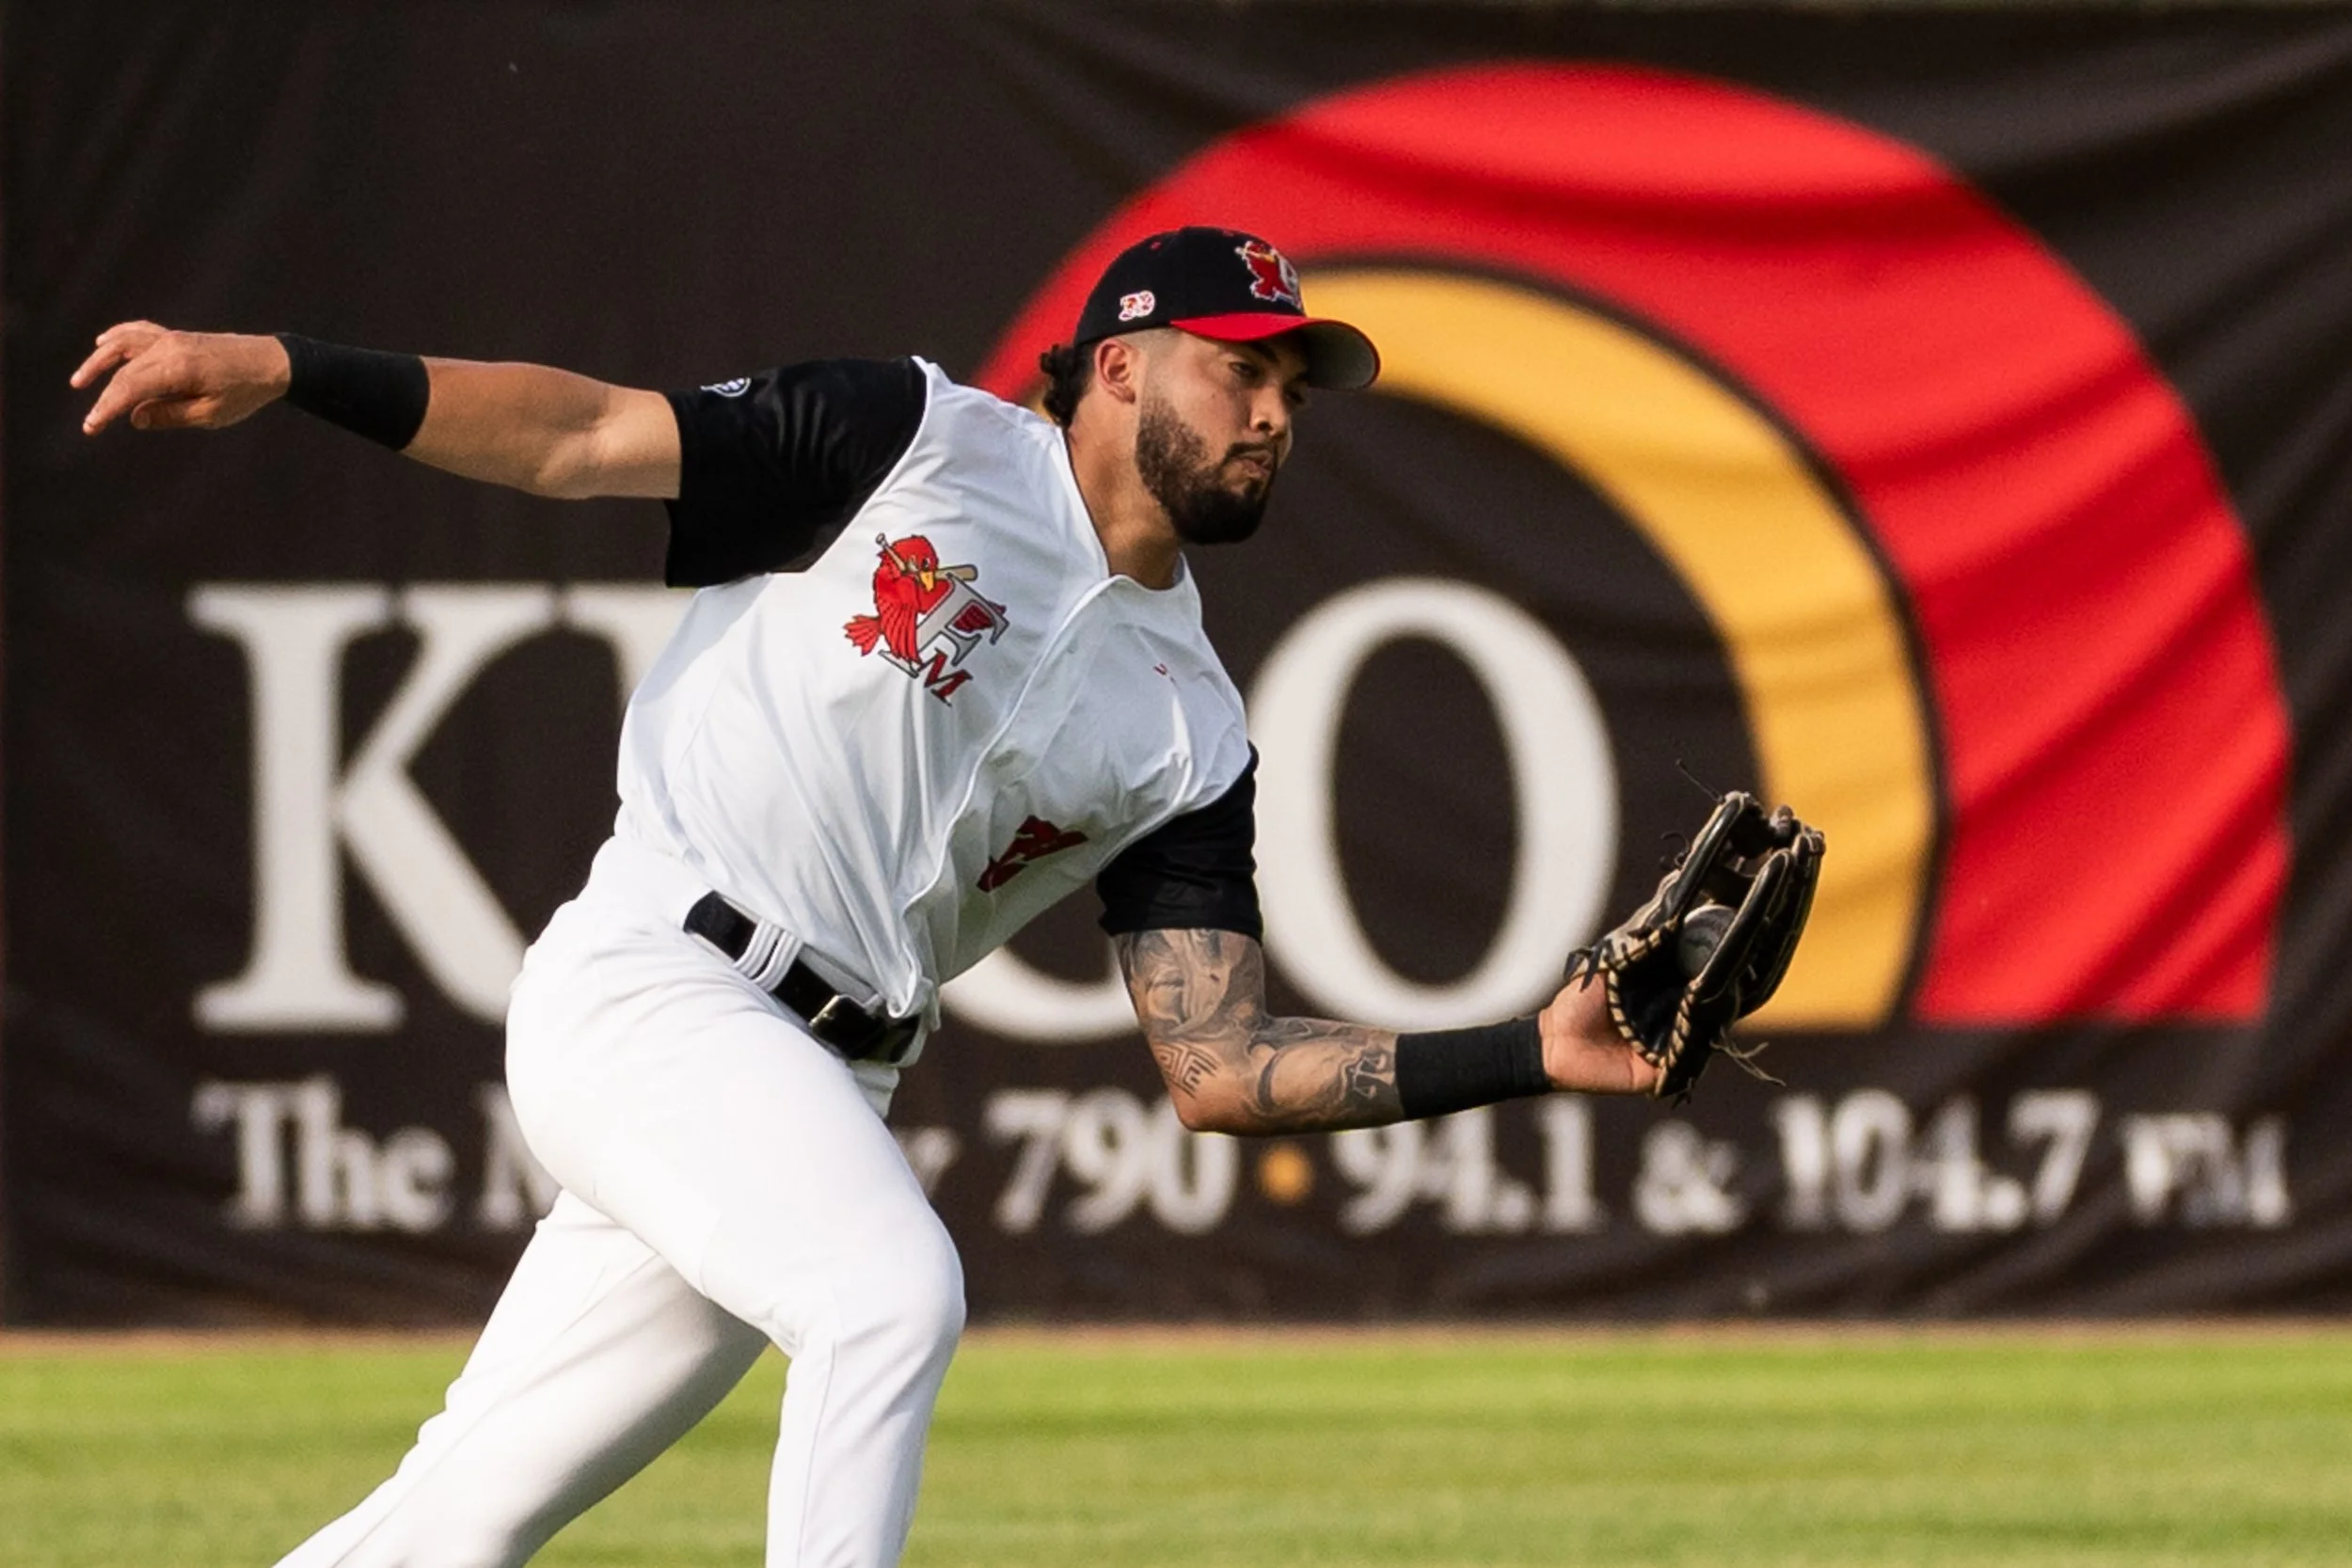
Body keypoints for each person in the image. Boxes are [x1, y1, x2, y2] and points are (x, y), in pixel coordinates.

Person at [75, 226, 1662, 1568]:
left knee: (449, 1522)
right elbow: (576, 438)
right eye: (1237, 367)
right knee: (891, 1297)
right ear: (1118, 363)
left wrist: (1528, 1045)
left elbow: (1220, 1065)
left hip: (821, 1080)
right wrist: (292, 366)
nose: (1271, 413)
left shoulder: (1195, 725)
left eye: (1291, 388)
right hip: (658, 982)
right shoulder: (915, 442)